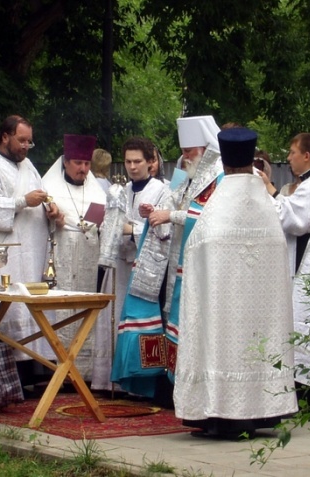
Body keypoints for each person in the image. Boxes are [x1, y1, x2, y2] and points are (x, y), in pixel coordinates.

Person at [174, 127, 297, 438]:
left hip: (223, 308)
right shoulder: (266, 207)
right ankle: (260, 413)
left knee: (220, 342)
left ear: (225, 163)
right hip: (260, 309)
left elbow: (195, 250)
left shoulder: (216, 210)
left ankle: (221, 414)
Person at [121, 116, 222, 404]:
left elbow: (206, 216)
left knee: (187, 323)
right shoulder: (187, 173)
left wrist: (170, 216)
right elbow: (171, 202)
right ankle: (167, 387)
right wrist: (153, 210)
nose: (184, 156)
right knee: (167, 320)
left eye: (189, 151)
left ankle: (187, 390)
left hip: (198, 263)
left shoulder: (216, 176)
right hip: (173, 261)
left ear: (205, 148)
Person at [0, 115, 60, 373]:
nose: (25, 146)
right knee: (7, 310)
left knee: (30, 308)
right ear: (5, 137)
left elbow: (39, 197)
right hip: (5, 254)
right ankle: (6, 373)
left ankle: (35, 370)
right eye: (21, 140)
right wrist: (22, 201)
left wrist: (49, 207)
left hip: (32, 253)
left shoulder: (29, 165)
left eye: (29, 142)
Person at [257, 133, 310, 392]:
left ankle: (309, 386)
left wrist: (269, 189)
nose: (288, 158)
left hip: (308, 265)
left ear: (306, 156)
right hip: (307, 262)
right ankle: (309, 382)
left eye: (292, 152)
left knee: (305, 322)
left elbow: (295, 221)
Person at [98, 136, 168, 392]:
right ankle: (118, 381)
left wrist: (130, 228)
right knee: (119, 323)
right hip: (122, 265)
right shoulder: (122, 190)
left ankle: (145, 383)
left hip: (147, 270)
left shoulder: (161, 190)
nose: (132, 166)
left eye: (137, 161)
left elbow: (165, 230)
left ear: (151, 162)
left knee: (144, 326)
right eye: (127, 161)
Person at [41, 134, 106, 379]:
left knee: (84, 306)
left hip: (88, 255)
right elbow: (43, 216)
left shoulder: (96, 189)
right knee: (61, 307)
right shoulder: (50, 186)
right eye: (78, 163)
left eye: (87, 164)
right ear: (66, 162)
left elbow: (102, 216)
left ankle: (85, 372)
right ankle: (56, 370)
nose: (83, 169)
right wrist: (53, 216)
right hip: (61, 253)